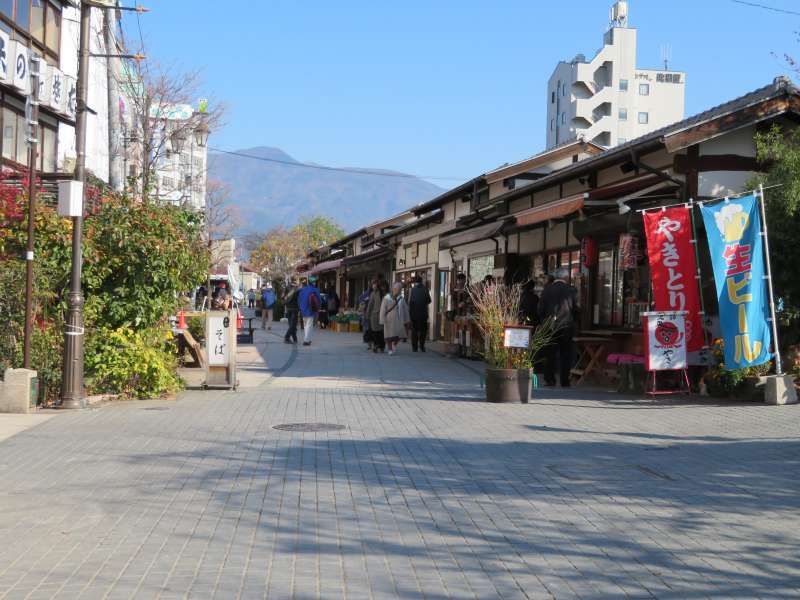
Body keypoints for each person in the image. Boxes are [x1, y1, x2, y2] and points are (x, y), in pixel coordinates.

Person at [537, 267, 579, 387]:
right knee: (566, 354)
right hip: (566, 326)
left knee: (549, 353)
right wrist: (574, 320)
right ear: (566, 277)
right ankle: (564, 380)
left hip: (549, 326)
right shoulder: (571, 290)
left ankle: (549, 379)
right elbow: (576, 308)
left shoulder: (547, 289)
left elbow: (540, 309)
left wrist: (543, 321)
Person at [380, 282, 411, 356]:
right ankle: (390, 349)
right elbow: (383, 310)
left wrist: (407, 320)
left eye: (400, 289)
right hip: (388, 320)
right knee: (388, 336)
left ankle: (394, 344)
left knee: (399, 335)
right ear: (393, 289)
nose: (399, 290)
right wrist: (382, 319)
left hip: (398, 320)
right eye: (398, 289)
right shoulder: (386, 298)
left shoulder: (401, 299)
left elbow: (405, 310)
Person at [408, 275, 431, 352]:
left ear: (415, 282)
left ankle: (414, 347)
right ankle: (422, 346)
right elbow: (429, 300)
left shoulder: (412, 290)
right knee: (423, 331)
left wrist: (410, 313)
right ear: (421, 281)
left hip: (414, 314)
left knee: (414, 331)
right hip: (423, 314)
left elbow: (410, 302)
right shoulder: (425, 289)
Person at [297, 276, 321, 346]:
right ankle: (306, 340)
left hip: (303, 310)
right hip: (310, 310)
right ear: (313, 282)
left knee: (305, 325)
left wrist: (300, 307)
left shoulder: (302, 290)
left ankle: (307, 339)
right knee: (309, 325)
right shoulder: (315, 290)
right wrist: (318, 307)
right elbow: (319, 300)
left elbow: (298, 300)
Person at [366, 279, 386, 353]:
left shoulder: (380, 293)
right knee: (377, 331)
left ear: (377, 285)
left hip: (379, 315)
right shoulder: (373, 293)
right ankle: (378, 345)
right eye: (372, 284)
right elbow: (370, 305)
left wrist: (368, 314)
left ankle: (379, 345)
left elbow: (370, 305)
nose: (373, 286)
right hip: (375, 316)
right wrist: (368, 314)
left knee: (378, 332)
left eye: (374, 284)